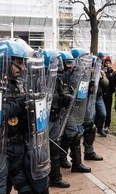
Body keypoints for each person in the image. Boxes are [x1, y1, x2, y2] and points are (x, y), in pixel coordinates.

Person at [0, 40, 49, 194]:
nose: (22, 68)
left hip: (19, 146)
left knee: (27, 187)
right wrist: (22, 103)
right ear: (4, 62)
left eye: (23, 63)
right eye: (18, 64)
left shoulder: (18, 84)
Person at [42, 49, 70, 188]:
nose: (59, 64)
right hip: (46, 119)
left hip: (55, 116)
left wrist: (65, 98)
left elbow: (59, 93)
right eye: (55, 61)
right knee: (42, 149)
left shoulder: (56, 78)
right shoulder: (40, 79)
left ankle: (55, 177)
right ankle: (43, 178)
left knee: (54, 147)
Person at [102, 56, 115, 133]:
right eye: (106, 63)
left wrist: (111, 75)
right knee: (101, 111)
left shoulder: (112, 72)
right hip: (102, 93)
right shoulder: (102, 71)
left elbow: (113, 84)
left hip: (109, 94)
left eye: (109, 63)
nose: (107, 64)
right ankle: (101, 124)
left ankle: (107, 125)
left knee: (108, 110)